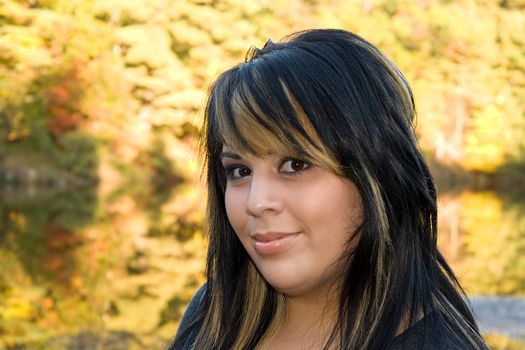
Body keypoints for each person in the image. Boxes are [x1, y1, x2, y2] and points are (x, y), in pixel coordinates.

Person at [169, 29, 488, 349]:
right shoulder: (215, 312)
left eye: (295, 165)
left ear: (376, 174)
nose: (256, 202)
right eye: (239, 171)